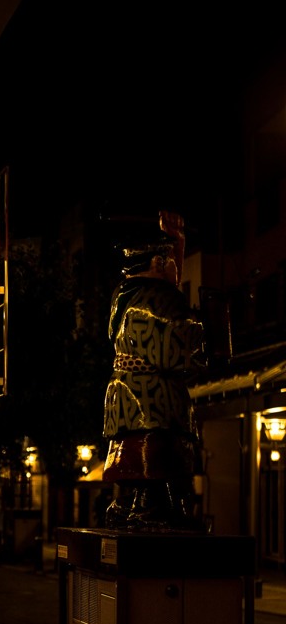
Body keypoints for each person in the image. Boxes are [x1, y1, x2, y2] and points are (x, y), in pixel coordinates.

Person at [101, 210, 207, 532]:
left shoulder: (123, 295)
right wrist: (206, 333)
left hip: (124, 394)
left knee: (136, 458)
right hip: (152, 399)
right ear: (159, 263)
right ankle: (148, 509)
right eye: (173, 262)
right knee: (158, 456)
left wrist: (178, 242)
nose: (177, 269)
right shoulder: (160, 297)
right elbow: (176, 344)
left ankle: (131, 504)